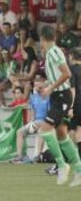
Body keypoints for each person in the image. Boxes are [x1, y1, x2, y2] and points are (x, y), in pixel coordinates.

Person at [38, 25, 81, 187]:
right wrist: (47, 85)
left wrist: (50, 88)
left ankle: (62, 166)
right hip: (59, 95)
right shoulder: (51, 53)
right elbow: (58, 75)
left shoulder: (54, 52)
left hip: (62, 96)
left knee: (45, 129)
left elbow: (67, 74)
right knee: (62, 133)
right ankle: (79, 170)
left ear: (42, 39)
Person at [11, 74, 49, 163]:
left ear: (43, 84)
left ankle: (38, 156)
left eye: (38, 85)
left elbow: (50, 113)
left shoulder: (48, 96)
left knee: (41, 131)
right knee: (19, 132)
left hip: (46, 123)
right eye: (35, 85)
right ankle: (19, 156)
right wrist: (31, 120)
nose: (36, 87)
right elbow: (33, 110)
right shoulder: (33, 97)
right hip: (36, 122)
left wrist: (42, 123)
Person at [70, 48, 81, 164]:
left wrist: (71, 107)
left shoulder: (72, 70)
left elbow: (72, 89)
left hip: (76, 104)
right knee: (79, 133)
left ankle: (71, 158)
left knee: (70, 132)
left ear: (72, 56)